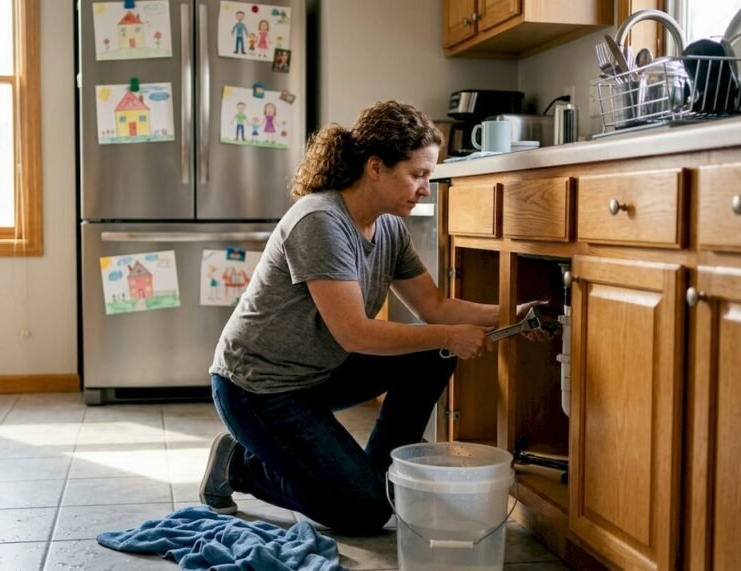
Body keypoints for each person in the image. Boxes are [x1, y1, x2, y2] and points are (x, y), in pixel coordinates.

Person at [200, 101, 549, 535]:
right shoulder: (320, 221)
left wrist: (511, 314)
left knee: (433, 353)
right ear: (375, 167)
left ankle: (380, 477)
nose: (426, 187)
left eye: (429, 175)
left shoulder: (388, 228)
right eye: (417, 174)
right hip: (257, 388)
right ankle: (237, 465)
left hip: (316, 374)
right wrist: (453, 334)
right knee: (364, 514)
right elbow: (354, 334)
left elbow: (436, 308)